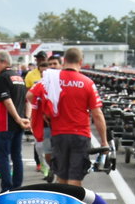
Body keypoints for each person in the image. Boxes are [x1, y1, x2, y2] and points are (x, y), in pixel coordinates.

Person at [27, 46, 109, 186]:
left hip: (59, 134)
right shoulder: (87, 82)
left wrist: (45, 110)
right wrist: (104, 141)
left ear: (64, 60)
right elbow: (97, 114)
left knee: (62, 176)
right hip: (80, 134)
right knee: (75, 177)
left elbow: (30, 95)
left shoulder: (51, 79)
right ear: (80, 62)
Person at [0, 50, 30, 191]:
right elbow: (27, 100)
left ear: (3, 62)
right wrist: (26, 118)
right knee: (17, 155)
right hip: (20, 122)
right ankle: (17, 187)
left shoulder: (2, 78)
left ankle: (6, 188)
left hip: (6, 123)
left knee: (3, 156)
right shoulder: (19, 77)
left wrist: (17, 118)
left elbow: (7, 100)